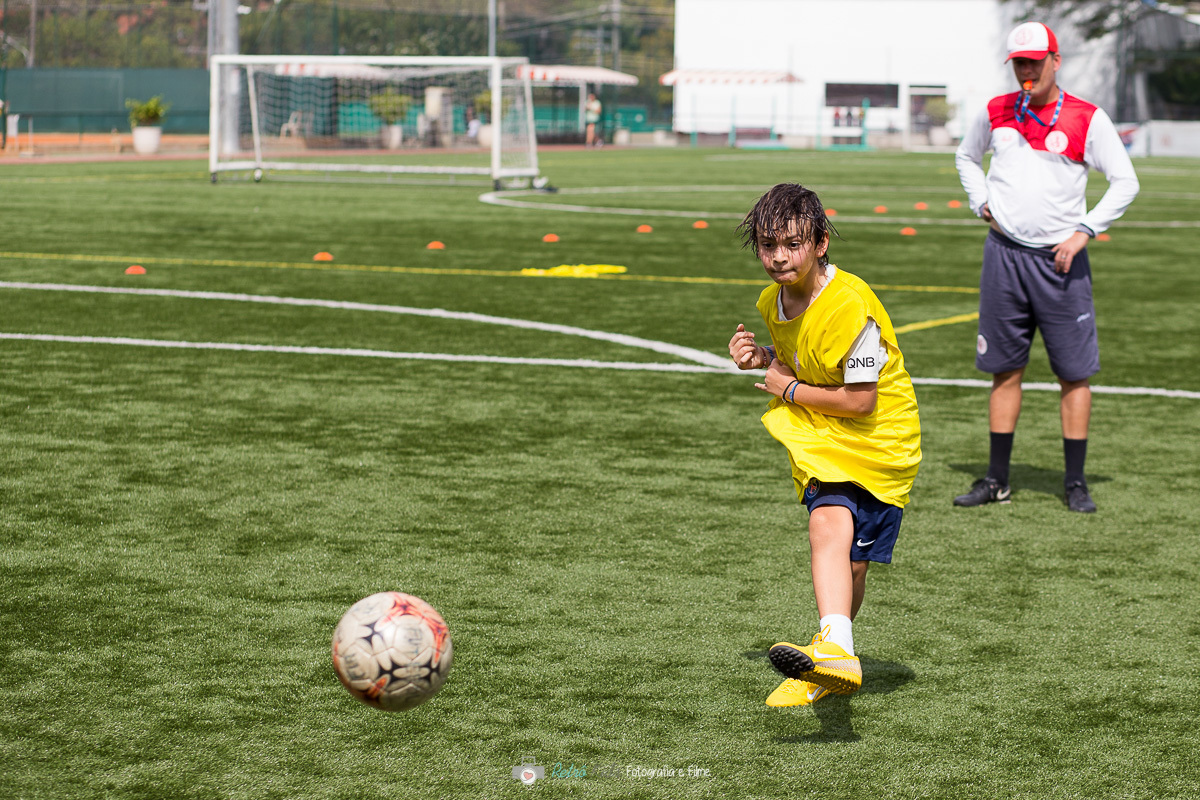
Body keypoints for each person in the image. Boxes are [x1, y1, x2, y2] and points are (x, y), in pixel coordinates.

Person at [728, 183, 922, 708]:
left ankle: (830, 656)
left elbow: (860, 400)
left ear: (820, 243)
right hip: (822, 436)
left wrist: (787, 389)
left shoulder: (850, 305)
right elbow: (798, 356)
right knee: (827, 525)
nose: (779, 257)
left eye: (793, 244)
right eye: (768, 245)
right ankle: (834, 651)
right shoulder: (771, 301)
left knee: (854, 566)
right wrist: (761, 356)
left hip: (881, 440)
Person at [954, 21, 1139, 513]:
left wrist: (1084, 231)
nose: (1027, 71)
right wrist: (981, 202)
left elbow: (1125, 181)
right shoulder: (996, 110)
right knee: (1004, 371)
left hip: (1060, 263)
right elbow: (966, 157)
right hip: (1003, 256)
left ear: (1056, 61)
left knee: (1074, 375)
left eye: (1035, 61)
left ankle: (1075, 482)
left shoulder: (1086, 117)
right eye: (1020, 62)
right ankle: (997, 480)